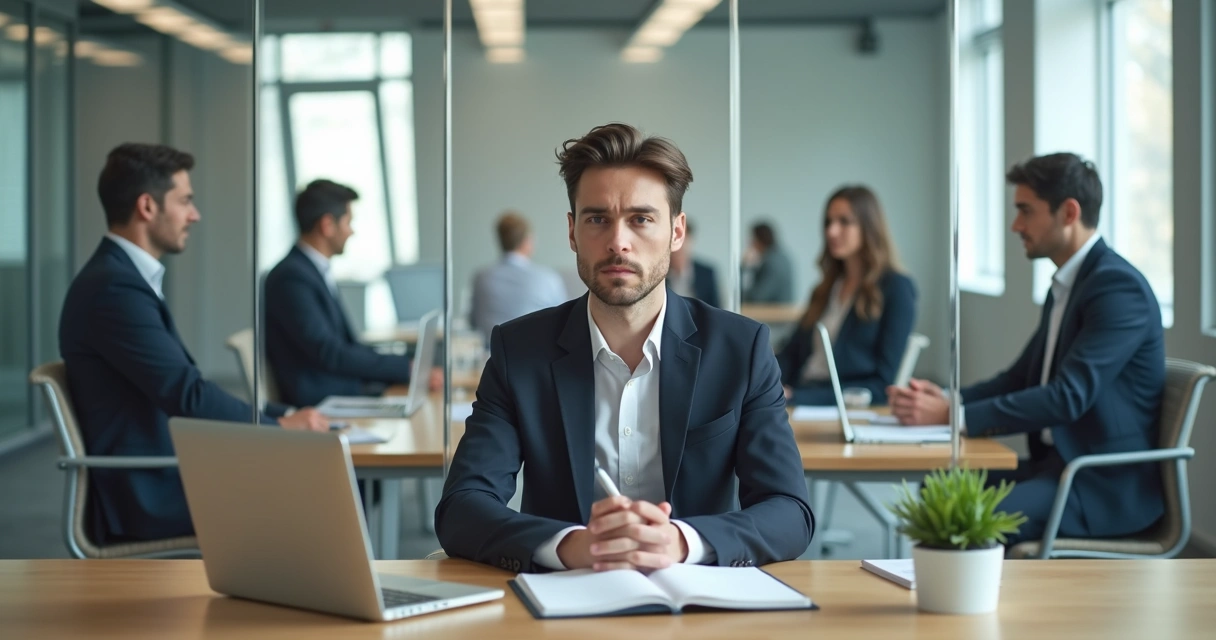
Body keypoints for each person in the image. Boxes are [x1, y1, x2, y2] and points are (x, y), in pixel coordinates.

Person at [435, 123, 813, 573]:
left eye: (641, 218)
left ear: (676, 232)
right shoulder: (520, 350)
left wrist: (681, 542)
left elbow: (789, 510)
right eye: (598, 219)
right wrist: (569, 545)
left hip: (697, 601)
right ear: (573, 232)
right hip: (563, 599)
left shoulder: (740, 348)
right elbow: (462, 506)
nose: (618, 241)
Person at [888, 153, 1165, 544]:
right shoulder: (1069, 285)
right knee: (940, 486)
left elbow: (1068, 397)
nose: (1016, 225)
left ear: (1068, 212)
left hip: (1100, 482)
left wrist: (954, 415)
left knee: (970, 515)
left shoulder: (1118, 289)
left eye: (1025, 211)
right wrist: (948, 398)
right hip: (1055, 465)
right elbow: (1019, 378)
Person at [60, 143, 329, 545]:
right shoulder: (114, 290)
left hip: (171, 466)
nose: (194, 214)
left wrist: (283, 413)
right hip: (148, 492)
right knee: (318, 490)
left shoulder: (123, 279)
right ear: (147, 207)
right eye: (185, 201)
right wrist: (277, 428)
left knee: (321, 478)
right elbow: (186, 394)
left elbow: (186, 386)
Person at [264, 179, 441, 408]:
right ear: (327, 225)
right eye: (348, 222)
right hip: (322, 401)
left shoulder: (311, 271)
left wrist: (405, 366)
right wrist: (405, 368)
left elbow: (345, 345)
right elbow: (330, 352)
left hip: (339, 389)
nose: (351, 231)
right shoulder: (291, 277)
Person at [776, 186, 916, 406]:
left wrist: (798, 398)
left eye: (844, 221)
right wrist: (766, 383)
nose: (832, 231)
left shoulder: (896, 288)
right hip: (797, 395)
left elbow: (881, 386)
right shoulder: (825, 288)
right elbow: (791, 354)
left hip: (829, 406)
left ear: (868, 227)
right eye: (828, 222)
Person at [469, 211, 568, 339]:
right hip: (537, 353)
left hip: (492, 355)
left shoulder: (481, 278)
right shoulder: (548, 279)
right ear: (527, 241)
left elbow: (474, 322)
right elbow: (565, 322)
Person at [667, 219, 721, 307]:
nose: (680, 245)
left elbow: (716, 308)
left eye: (684, 239)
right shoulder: (660, 271)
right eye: (675, 239)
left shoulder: (706, 273)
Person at [741, 221, 794, 304]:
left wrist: (744, 266)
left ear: (758, 240)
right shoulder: (781, 257)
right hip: (780, 311)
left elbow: (757, 297)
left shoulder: (772, 262)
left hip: (773, 314)